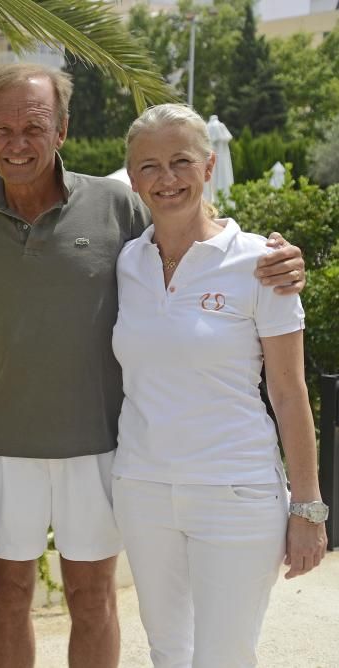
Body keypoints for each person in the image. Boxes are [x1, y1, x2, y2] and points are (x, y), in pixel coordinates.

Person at [0, 63, 306, 668]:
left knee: (92, 598)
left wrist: (276, 260)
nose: (17, 143)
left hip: (101, 443)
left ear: (62, 129)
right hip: (0, 442)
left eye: (34, 126)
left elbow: (190, 238)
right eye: (2, 129)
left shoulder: (118, 204)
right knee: (7, 593)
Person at [112, 102, 327, 667]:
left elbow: (289, 392)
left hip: (235, 495)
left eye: (181, 161)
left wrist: (308, 507)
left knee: (224, 658)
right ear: (132, 179)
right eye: (150, 167)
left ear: (208, 167)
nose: (167, 179)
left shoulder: (261, 264)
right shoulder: (126, 263)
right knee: (168, 653)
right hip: (143, 490)